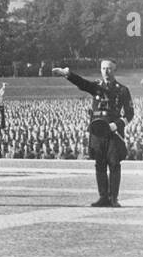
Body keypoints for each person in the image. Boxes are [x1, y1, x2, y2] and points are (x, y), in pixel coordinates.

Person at [53, 60, 134, 207]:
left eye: (109, 68)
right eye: (103, 68)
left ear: (114, 70)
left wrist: (115, 125)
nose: (106, 71)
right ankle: (103, 197)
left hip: (114, 133)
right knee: (99, 164)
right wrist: (68, 74)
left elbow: (130, 114)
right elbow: (83, 83)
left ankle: (114, 198)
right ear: (100, 70)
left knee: (114, 164)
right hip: (97, 131)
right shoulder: (96, 86)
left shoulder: (122, 90)